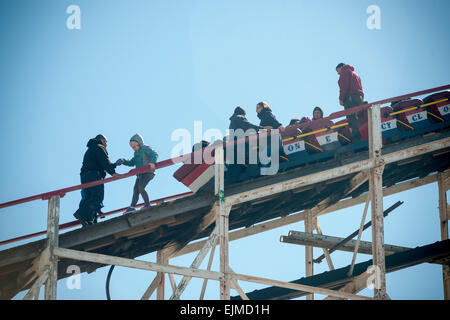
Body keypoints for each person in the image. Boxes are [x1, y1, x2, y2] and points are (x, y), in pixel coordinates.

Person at [74, 134, 119, 226]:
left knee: (89, 197)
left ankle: (89, 222)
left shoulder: (91, 148)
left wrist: (114, 165)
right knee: (97, 197)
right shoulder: (99, 146)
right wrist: (113, 173)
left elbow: (99, 163)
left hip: (85, 176)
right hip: (94, 174)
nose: (106, 144)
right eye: (106, 141)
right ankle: (82, 213)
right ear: (102, 140)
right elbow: (104, 161)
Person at [116, 134, 158, 214]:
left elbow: (154, 154)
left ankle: (147, 204)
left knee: (141, 187)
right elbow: (132, 162)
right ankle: (132, 207)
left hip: (148, 172)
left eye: (135, 146)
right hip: (140, 174)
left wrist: (152, 162)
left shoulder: (146, 149)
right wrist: (123, 161)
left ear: (140, 143)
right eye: (132, 147)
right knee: (135, 190)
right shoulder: (136, 154)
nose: (134, 149)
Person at [336, 63, 364, 141]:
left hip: (350, 97)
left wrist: (341, 99)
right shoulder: (355, 74)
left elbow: (344, 87)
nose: (338, 73)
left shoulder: (344, 72)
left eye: (338, 71)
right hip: (359, 97)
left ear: (341, 67)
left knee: (351, 117)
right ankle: (363, 134)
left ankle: (356, 138)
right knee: (359, 117)